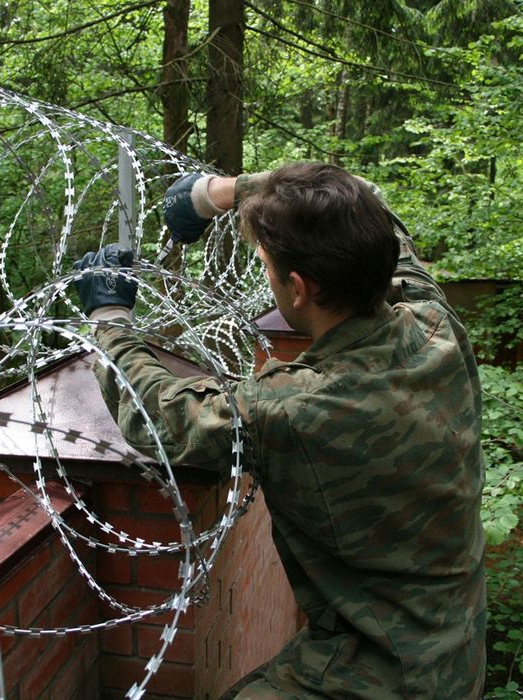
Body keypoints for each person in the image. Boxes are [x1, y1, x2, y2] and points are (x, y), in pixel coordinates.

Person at [73, 162, 486, 699]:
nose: (265, 275)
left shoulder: (297, 407)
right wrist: (216, 193)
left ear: (296, 288)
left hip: (378, 674)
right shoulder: (434, 323)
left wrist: (109, 319)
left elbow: (160, 415)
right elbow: (369, 202)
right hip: (457, 648)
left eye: (265, 265)